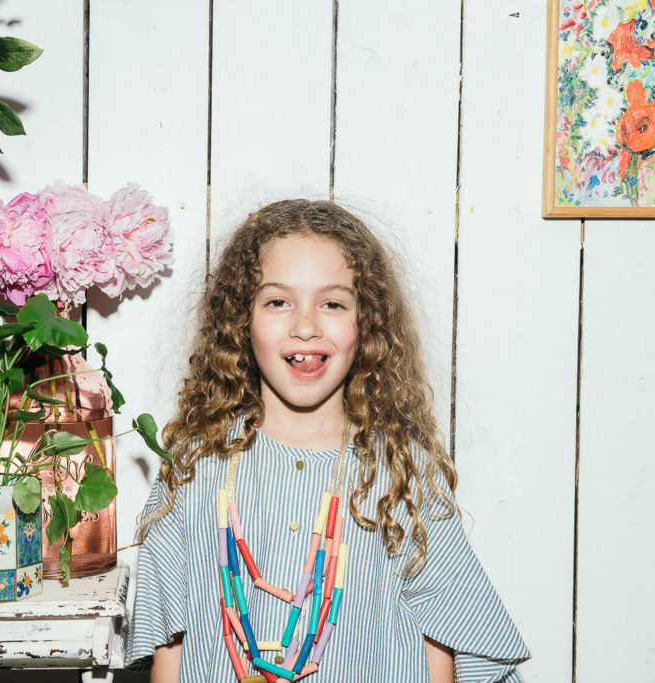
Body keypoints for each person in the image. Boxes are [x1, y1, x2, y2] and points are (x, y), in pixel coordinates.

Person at [125, 200, 530, 682]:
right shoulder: (195, 467)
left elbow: (443, 644)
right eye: (278, 301)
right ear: (240, 321)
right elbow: (170, 644)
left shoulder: (401, 471)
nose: (305, 326)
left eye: (333, 303)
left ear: (368, 323)